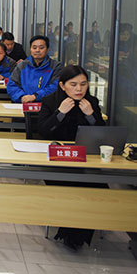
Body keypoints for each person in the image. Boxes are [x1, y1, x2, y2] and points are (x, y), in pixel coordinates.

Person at [38, 65, 105, 251]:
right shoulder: (50, 101)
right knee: (69, 187)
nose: (79, 89)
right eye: (73, 84)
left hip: (86, 160)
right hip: (57, 160)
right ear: (62, 85)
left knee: (97, 188)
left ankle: (78, 233)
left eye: (83, 84)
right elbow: (43, 131)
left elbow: (102, 134)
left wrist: (91, 115)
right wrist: (60, 113)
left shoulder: (91, 102)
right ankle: (71, 234)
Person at [7, 35, 63, 103]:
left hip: (46, 105)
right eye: (34, 47)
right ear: (30, 49)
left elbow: (55, 86)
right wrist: (21, 97)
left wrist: (35, 96)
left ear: (48, 49)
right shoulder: (22, 66)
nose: (37, 50)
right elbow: (12, 85)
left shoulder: (56, 66)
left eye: (41, 48)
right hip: (23, 103)